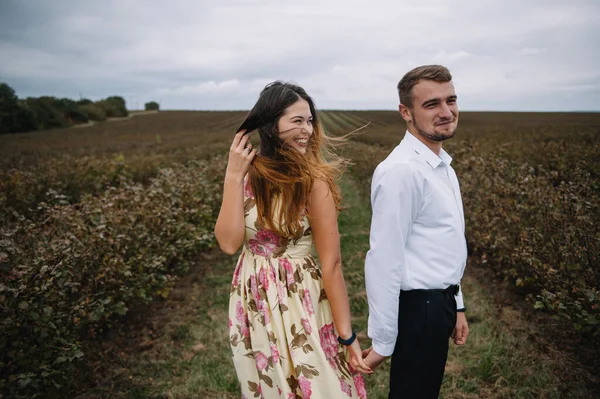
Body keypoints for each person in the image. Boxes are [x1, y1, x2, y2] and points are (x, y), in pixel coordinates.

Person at [215, 81, 371, 398]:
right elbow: (229, 243)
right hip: (254, 299)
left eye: (310, 120)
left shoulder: (312, 181)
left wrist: (347, 335)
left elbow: (332, 263)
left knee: (320, 386)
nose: (307, 130)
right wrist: (232, 176)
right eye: (297, 121)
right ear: (272, 125)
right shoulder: (244, 174)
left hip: (301, 297)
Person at [362, 65, 470, 398]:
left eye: (450, 100)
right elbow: (384, 259)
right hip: (419, 311)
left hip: (439, 305)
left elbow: (441, 243)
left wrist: (457, 304)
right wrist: (382, 342)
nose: (446, 111)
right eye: (432, 104)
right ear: (405, 112)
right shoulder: (402, 172)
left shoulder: (440, 165)